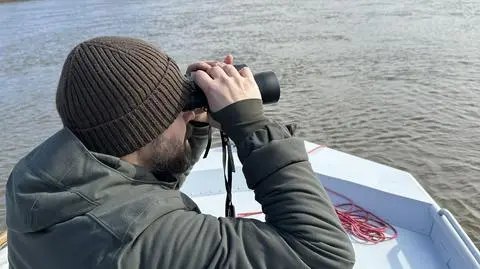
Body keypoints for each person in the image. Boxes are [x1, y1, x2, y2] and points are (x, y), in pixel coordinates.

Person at [5, 36, 355, 269]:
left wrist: (195, 125)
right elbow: (324, 254)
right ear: (144, 134)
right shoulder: (144, 239)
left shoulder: (34, 181)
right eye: (179, 110)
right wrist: (250, 125)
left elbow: (139, 185)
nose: (188, 112)